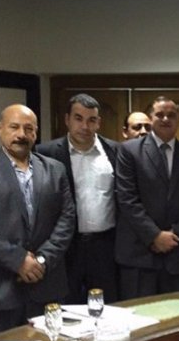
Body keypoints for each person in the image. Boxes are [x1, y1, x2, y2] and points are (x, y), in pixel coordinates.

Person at [0, 104, 75, 339]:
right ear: (0, 129)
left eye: (28, 129)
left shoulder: (55, 169)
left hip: (46, 287)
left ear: (35, 133)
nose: (21, 134)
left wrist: (41, 261)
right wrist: (18, 261)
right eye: (14, 127)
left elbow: (67, 219)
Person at [115, 96, 179, 299]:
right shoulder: (129, 151)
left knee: (177, 316)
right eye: (160, 115)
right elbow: (127, 200)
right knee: (139, 316)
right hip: (139, 256)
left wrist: (174, 235)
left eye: (171, 115)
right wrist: (154, 236)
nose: (166, 119)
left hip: (178, 255)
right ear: (151, 118)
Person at [36, 93, 121, 303]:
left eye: (91, 120)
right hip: (66, 247)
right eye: (78, 118)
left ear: (98, 122)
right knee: (67, 307)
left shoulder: (115, 151)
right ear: (67, 119)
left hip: (105, 246)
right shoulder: (45, 153)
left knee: (107, 306)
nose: (85, 126)